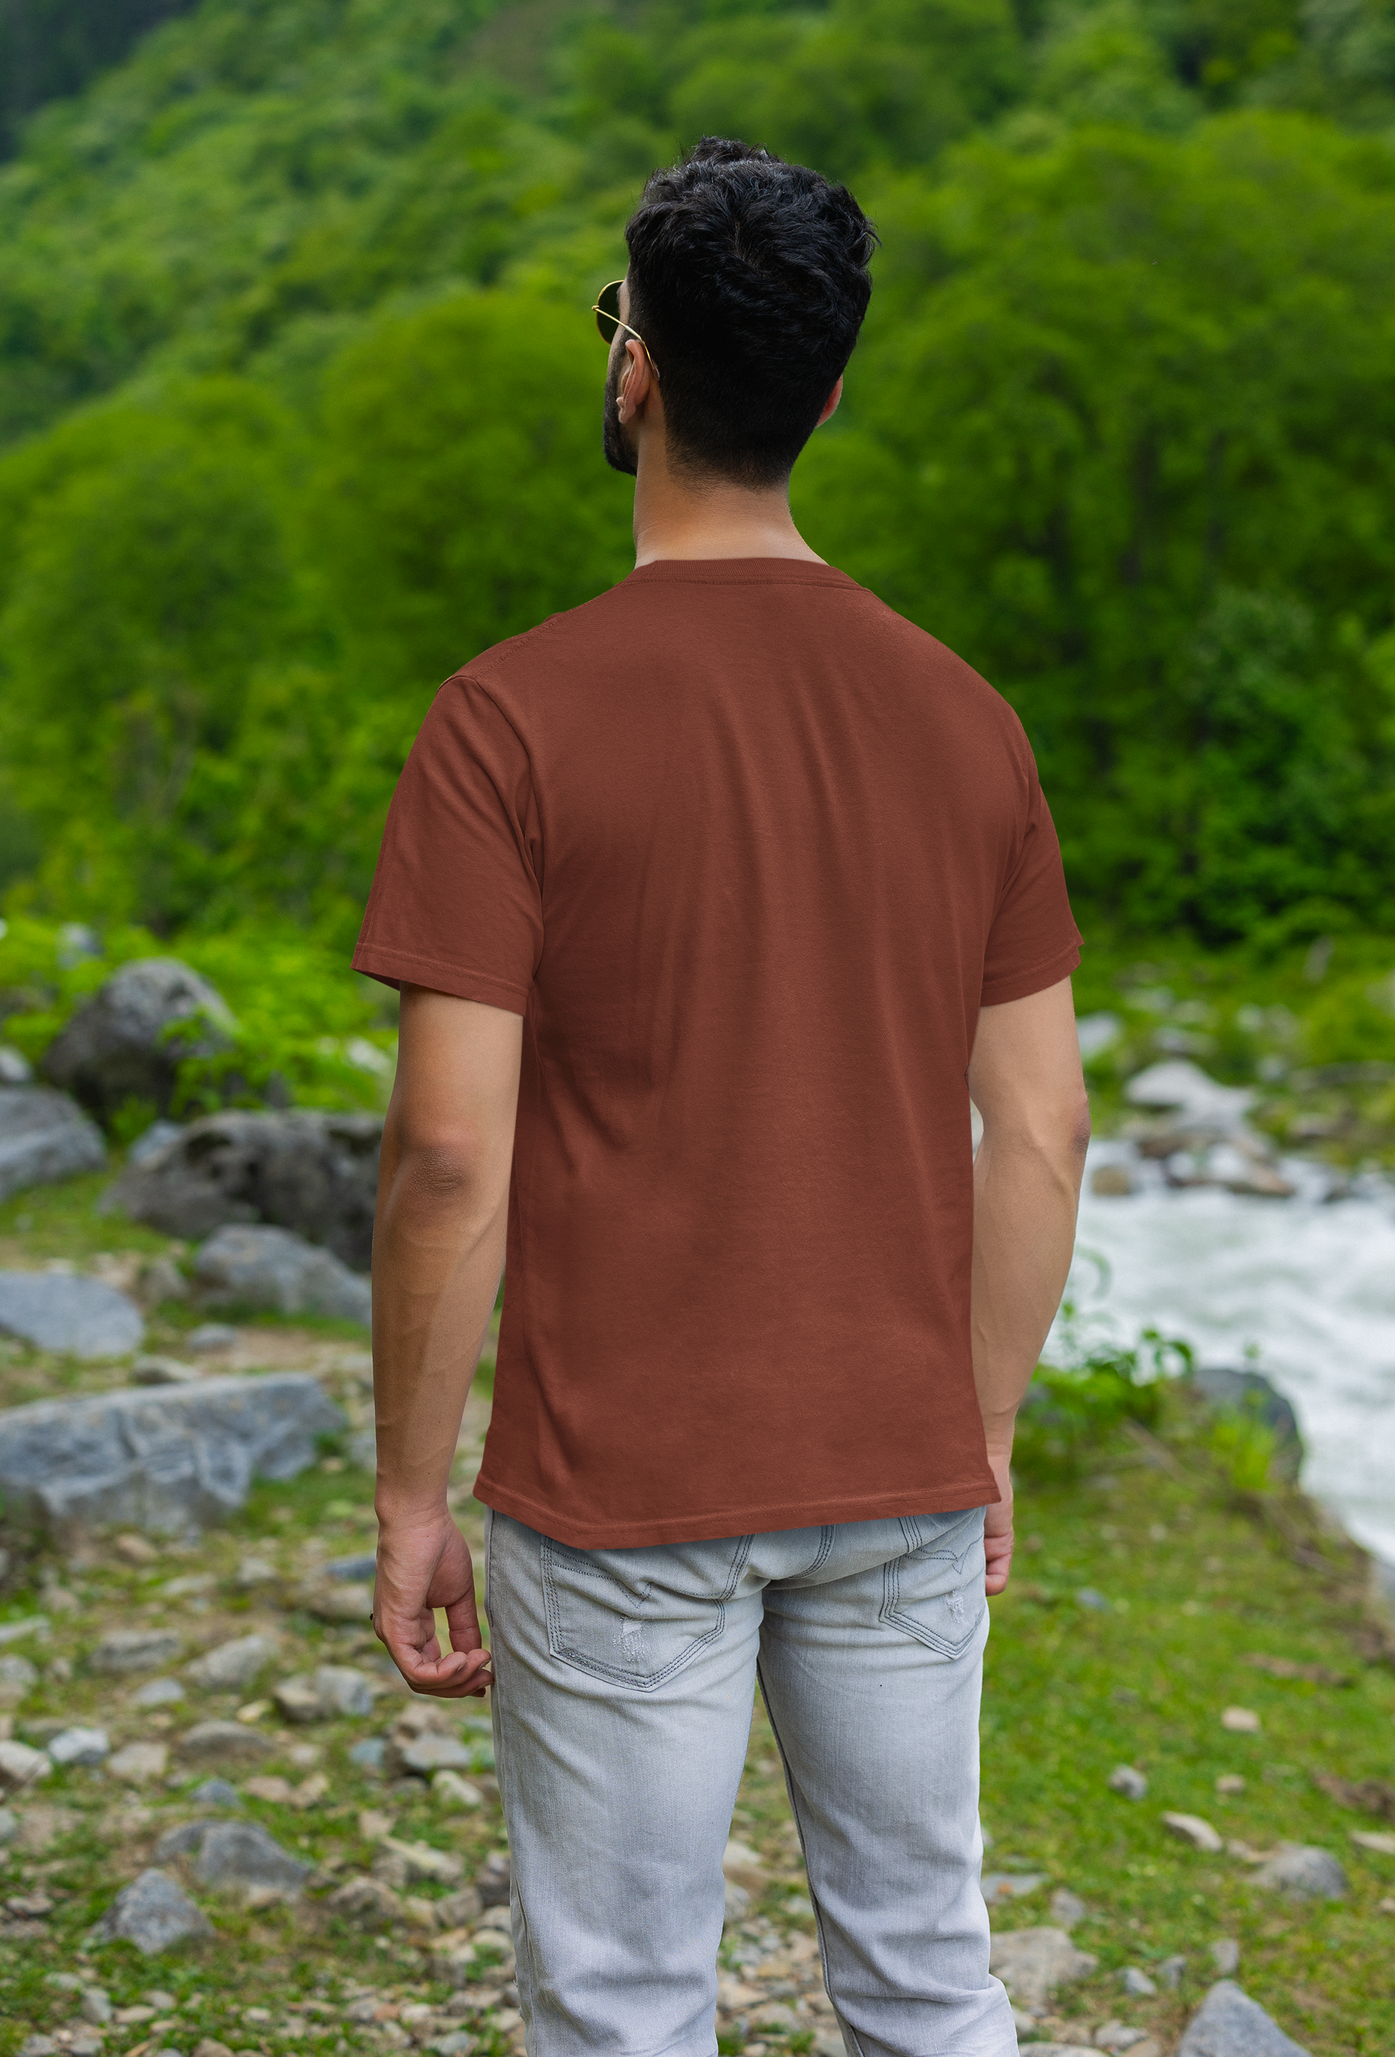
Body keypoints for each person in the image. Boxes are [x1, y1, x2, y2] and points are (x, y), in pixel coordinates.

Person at [357, 138, 1090, 2057]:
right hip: (902, 1473)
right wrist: (982, 1423)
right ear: (829, 393)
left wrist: (412, 1493)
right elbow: (1044, 1130)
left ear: (637, 369)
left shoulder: (504, 719)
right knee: (929, 1971)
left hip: (619, 1490)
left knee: (621, 2003)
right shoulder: (966, 717)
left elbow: (449, 1158)